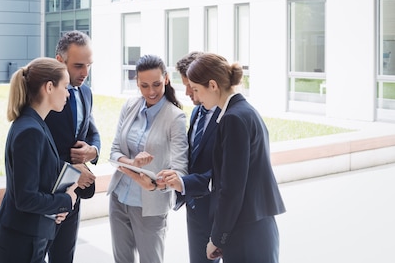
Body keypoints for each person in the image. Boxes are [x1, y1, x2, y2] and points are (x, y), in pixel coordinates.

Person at [186, 53, 286, 263]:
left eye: (196, 89)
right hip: (256, 225)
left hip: (245, 231)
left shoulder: (233, 119)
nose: (196, 97)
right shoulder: (246, 112)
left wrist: (217, 238)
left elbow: (232, 188)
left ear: (212, 85)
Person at [0, 57, 78, 263]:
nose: (68, 93)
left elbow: (37, 182)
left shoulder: (35, 123)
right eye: (65, 87)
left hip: (26, 238)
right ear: (49, 87)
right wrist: (66, 201)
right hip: (20, 243)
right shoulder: (31, 130)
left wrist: (57, 208)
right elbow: (26, 198)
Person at [107, 54, 188, 263]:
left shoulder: (175, 117)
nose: (151, 92)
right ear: (137, 83)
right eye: (144, 86)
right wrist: (133, 164)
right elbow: (114, 151)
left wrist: (154, 186)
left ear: (166, 79)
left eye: (156, 84)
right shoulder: (130, 106)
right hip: (119, 198)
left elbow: (180, 172)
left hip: (150, 207)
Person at [159, 51, 221, 263]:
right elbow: (191, 157)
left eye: (191, 86)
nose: (186, 93)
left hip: (221, 210)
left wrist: (184, 183)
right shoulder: (196, 113)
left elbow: (226, 170)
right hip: (196, 210)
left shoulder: (230, 117)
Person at [45, 31, 100, 263]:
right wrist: (74, 168)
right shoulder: (43, 95)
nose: (85, 73)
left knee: (64, 257)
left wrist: (93, 151)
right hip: (44, 193)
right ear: (60, 61)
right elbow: (37, 149)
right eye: (78, 66)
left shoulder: (86, 92)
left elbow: (92, 132)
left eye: (89, 65)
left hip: (73, 194)